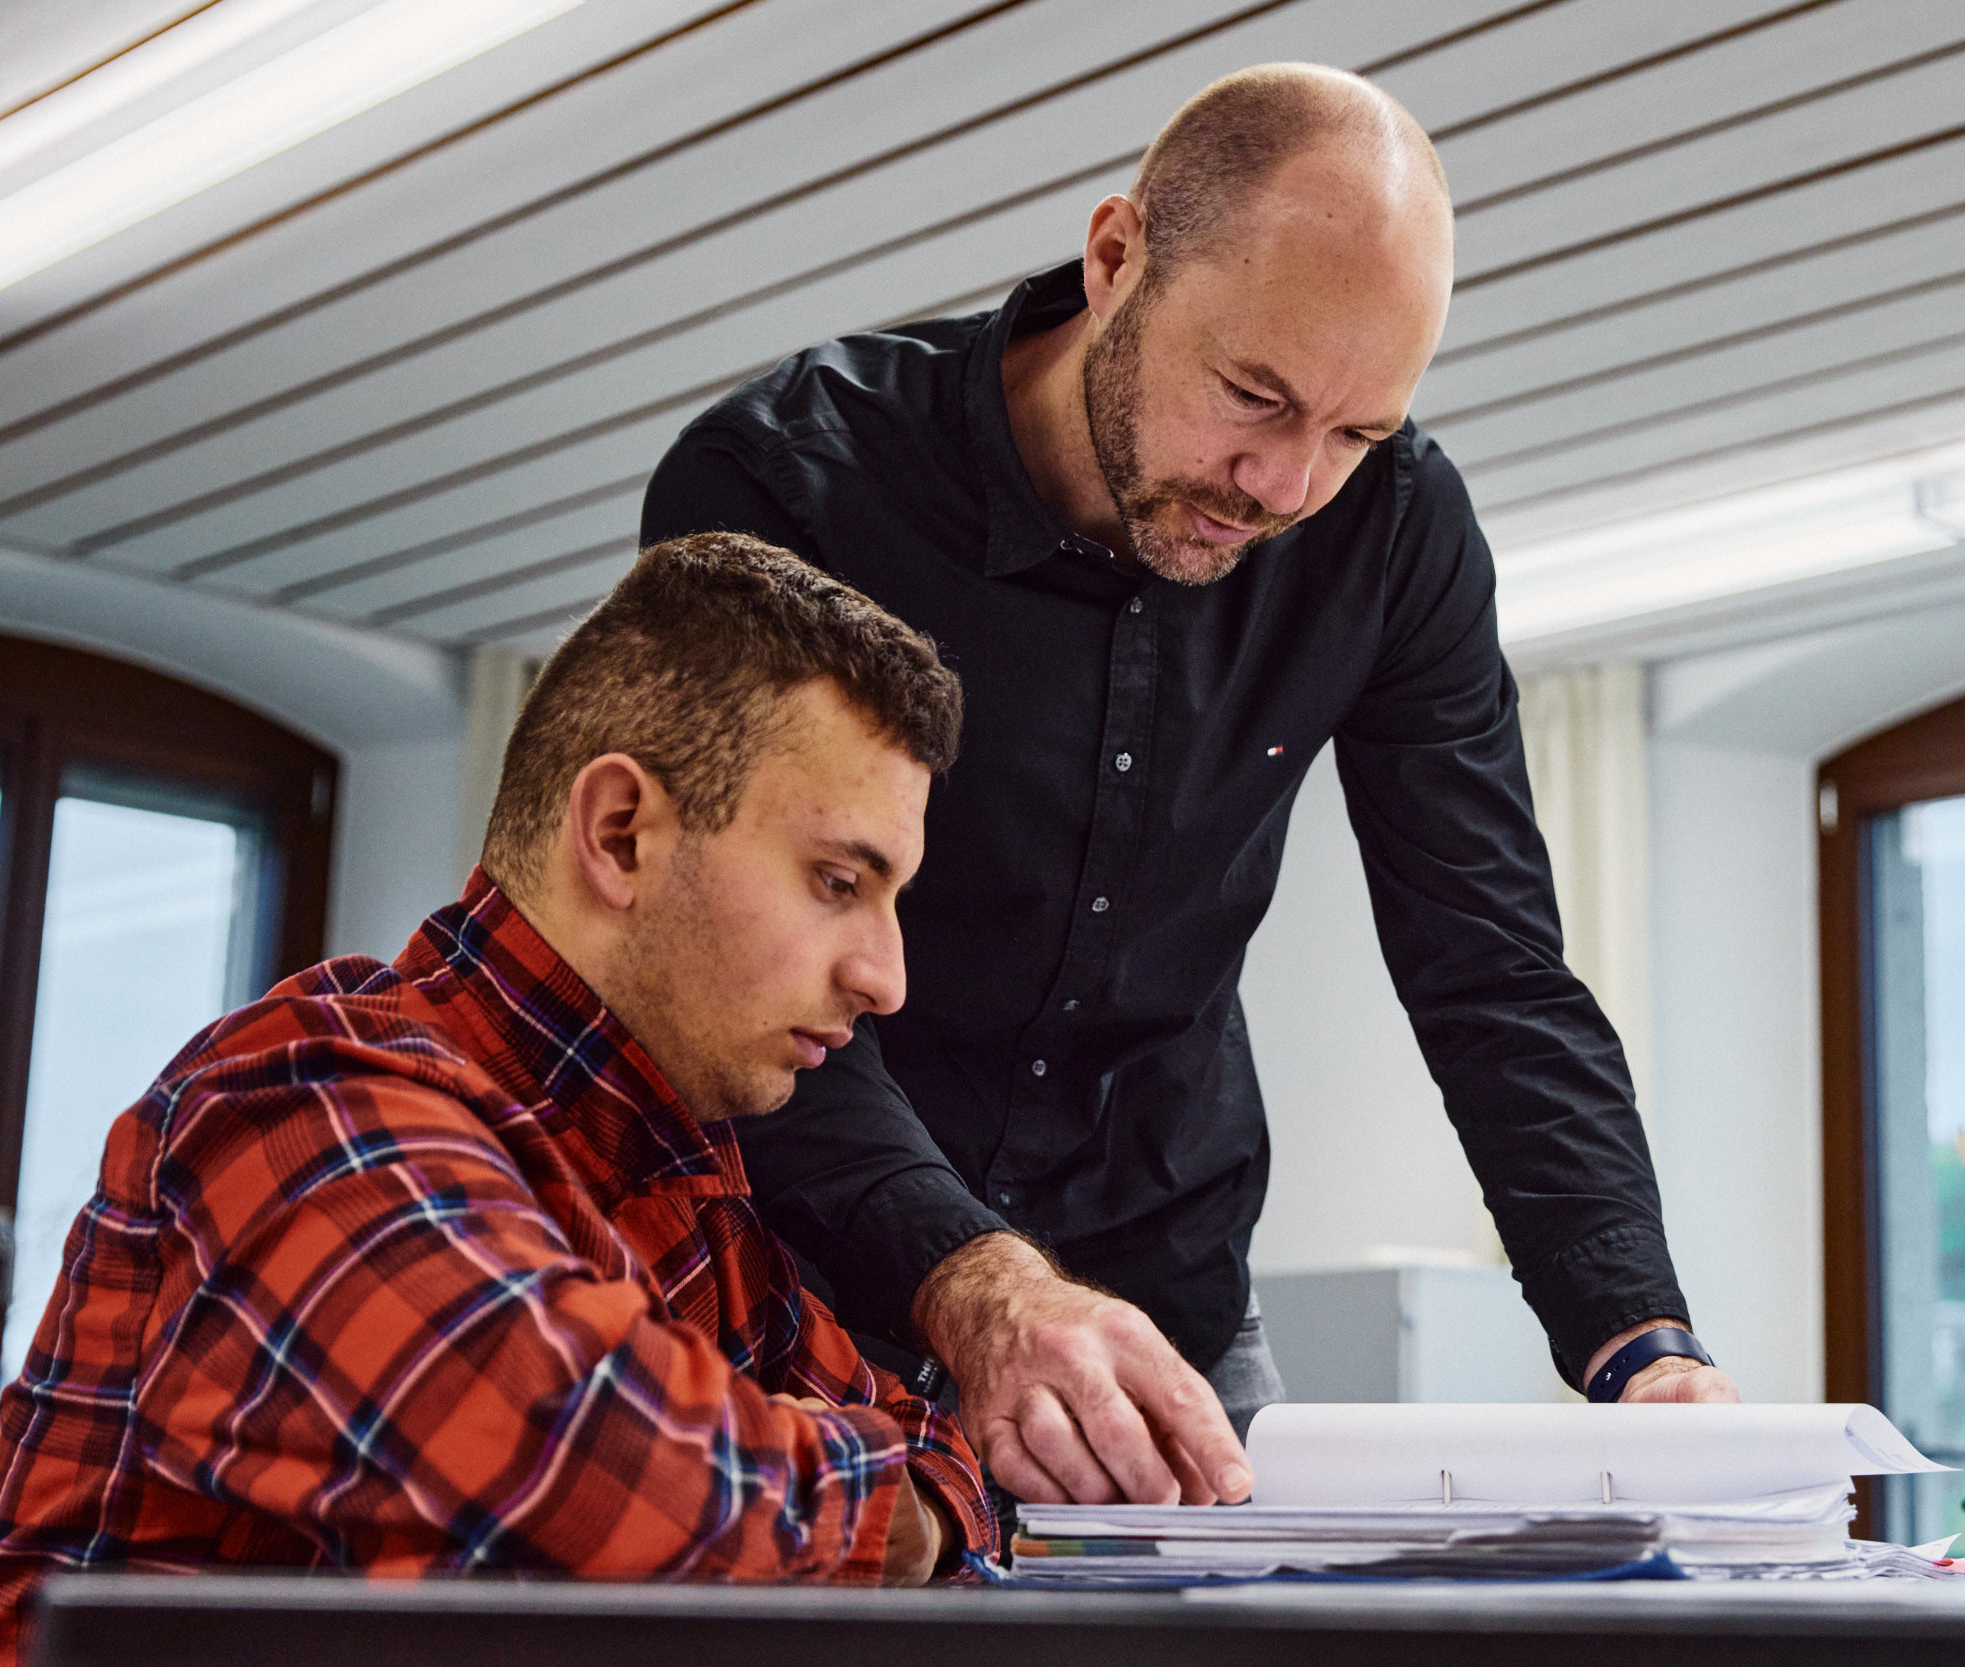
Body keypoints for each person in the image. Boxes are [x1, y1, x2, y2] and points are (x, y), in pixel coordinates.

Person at [640, 63, 1739, 1512]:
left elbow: (1491, 965)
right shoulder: (792, 485)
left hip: (1167, 1304)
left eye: (1354, 433)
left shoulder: (1395, 535)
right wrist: (979, 1289)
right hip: (808, 1277)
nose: (1284, 486)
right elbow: (723, 964)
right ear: (1117, 257)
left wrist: (1639, 1340)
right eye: (1254, 394)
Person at [0, 534, 993, 1664]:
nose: (884, 976)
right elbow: (604, 1484)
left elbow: (921, 1436)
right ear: (620, 834)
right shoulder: (305, 1104)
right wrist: (872, 1505)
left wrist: (842, 1478)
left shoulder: (684, 1172)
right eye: (838, 882)